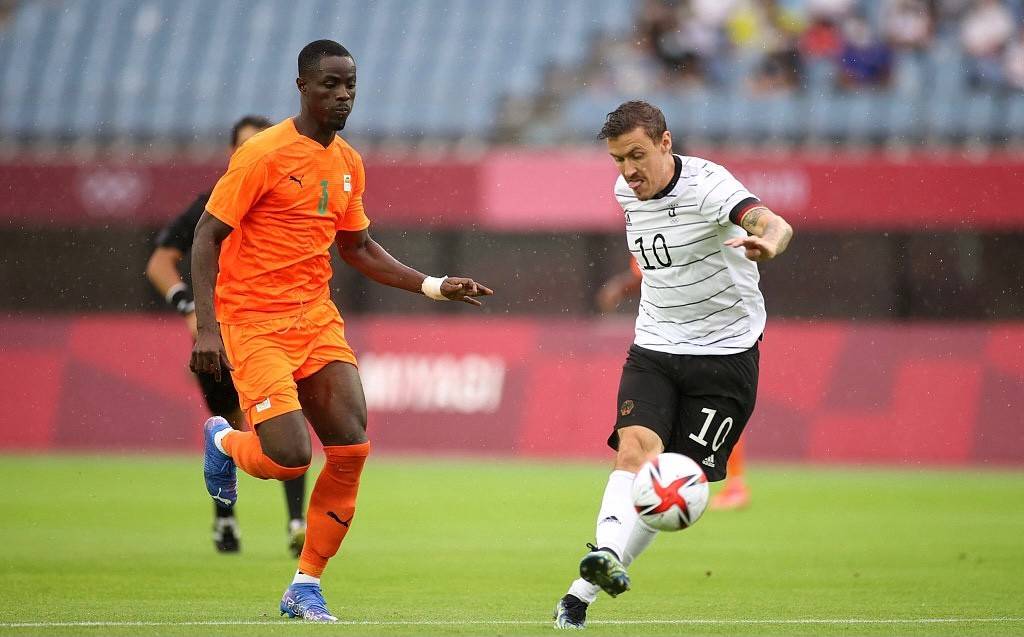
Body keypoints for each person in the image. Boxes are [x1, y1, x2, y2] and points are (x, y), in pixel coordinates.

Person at [189, 39, 492, 623]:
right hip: (254, 323)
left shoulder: (348, 162)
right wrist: (207, 330)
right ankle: (223, 441)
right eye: (330, 84)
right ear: (302, 86)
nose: (343, 95)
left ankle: (305, 585)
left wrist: (434, 285)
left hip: (316, 320)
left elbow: (358, 247)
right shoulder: (262, 154)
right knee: (288, 458)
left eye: (350, 84)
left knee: (351, 448)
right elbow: (206, 236)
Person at [554, 100, 792, 629]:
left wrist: (769, 243)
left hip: (726, 356)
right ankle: (605, 554)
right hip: (656, 346)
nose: (628, 170)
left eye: (637, 155)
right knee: (635, 450)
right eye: (618, 159)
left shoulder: (710, 186)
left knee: (673, 488)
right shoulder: (627, 193)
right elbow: (661, 255)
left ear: (666, 142)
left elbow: (771, 222)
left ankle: (579, 595)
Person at [145, 115, 308, 556]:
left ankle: (296, 521)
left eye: (259, 143)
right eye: (243, 145)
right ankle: (225, 518)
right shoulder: (212, 202)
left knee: (285, 421)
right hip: (220, 338)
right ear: (232, 152)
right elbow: (160, 262)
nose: (251, 152)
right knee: (235, 425)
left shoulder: (289, 198)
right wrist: (190, 308)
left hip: (274, 330)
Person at [596, 257, 752, 511]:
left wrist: (619, 287)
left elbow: (655, 271)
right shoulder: (652, 237)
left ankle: (730, 484)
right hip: (677, 341)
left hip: (709, 340)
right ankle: (726, 484)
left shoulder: (690, 237)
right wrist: (621, 286)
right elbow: (649, 271)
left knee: (712, 415)